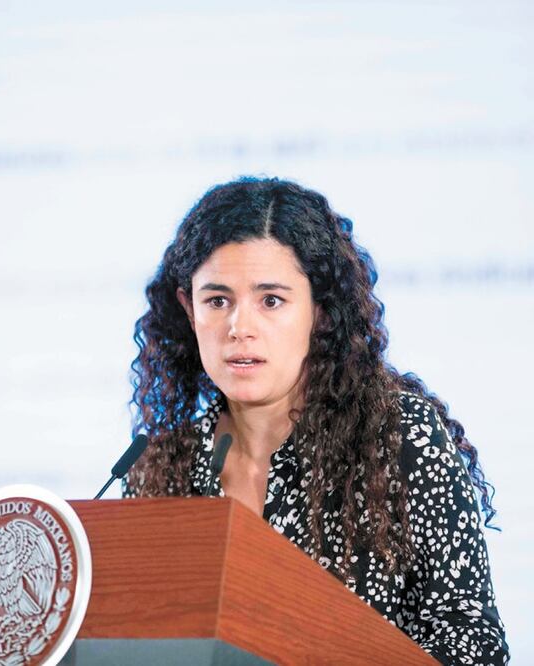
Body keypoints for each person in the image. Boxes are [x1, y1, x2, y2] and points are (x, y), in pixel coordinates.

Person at [123, 177, 509, 665]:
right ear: (188, 308)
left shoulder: (400, 436)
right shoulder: (162, 467)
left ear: (320, 312)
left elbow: (472, 644)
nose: (240, 328)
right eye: (217, 301)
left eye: (271, 300)